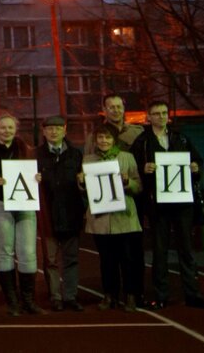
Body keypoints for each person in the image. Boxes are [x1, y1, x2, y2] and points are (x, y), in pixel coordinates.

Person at [131, 102, 204, 310]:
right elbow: (133, 170)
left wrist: (195, 167)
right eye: (156, 114)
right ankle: (161, 295)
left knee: (186, 249)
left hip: (183, 203)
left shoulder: (181, 138)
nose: (161, 117)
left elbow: (198, 162)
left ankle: (193, 293)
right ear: (148, 117)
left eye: (164, 113)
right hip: (157, 204)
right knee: (160, 251)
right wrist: (143, 168)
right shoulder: (141, 142)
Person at [0, 112, 41, 315]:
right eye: (3, 127)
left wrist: (38, 177)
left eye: (10, 127)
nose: (7, 131)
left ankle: (28, 301)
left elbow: (33, 171)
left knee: (28, 253)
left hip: (24, 205)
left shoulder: (25, 149)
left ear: (16, 129)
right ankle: (12, 302)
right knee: (5, 253)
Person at [83, 123, 144, 311]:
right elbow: (86, 191)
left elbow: (139, 187)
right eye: (100, 137)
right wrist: (81, 182)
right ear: (95, 140)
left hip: (124, 217)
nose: (104, 141)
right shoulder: (88, 160)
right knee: (106, 260)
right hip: (101, 220)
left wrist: (128, 182)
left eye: (108, 137)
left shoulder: (127, 158)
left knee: (128, 259)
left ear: (114, 140)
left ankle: (131, 296)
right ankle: (109, 295)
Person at [36, 114, 85, 311]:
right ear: (44, 131)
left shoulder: (76, 154)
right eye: (49, 128)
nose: (54, 131)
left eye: (58, 128)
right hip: (48, 216)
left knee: (71, 258)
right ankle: (55, 297)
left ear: (65, 130)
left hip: (71, 213)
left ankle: (70, 296)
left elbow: (85, 184)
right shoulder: (36, 155)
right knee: (51, 261)